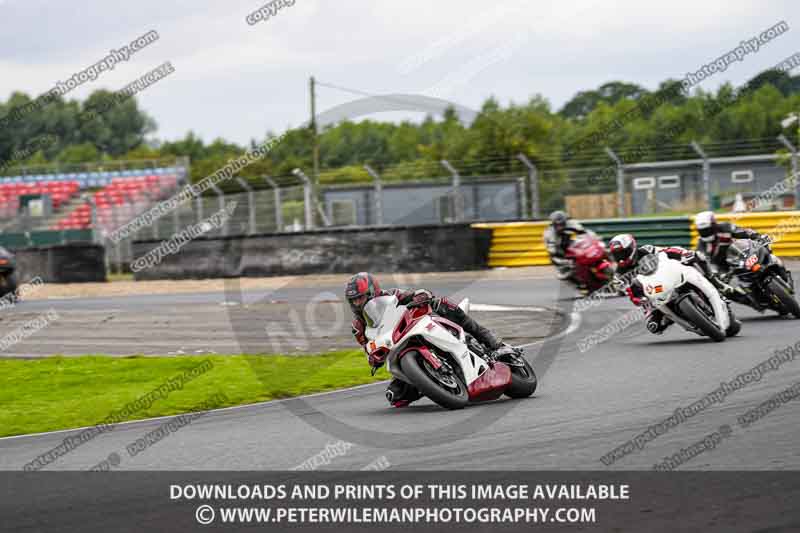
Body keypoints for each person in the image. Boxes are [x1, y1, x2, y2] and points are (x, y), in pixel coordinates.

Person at [345, 272, 514, 407]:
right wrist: (373, 359)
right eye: (353, 300)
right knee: (396, 396)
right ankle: (435, 382)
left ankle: (494, 343)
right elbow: (367, 347)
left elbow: (418, 294)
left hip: (422, 326)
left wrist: (420, 296)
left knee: (443, 304)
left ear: (373, 291)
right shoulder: (358, 327)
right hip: (398, 348)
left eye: (360, 297)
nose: (357, 303)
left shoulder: (393, 295)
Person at [608, 233, 741, 335]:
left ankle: (716, 284)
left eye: (623, 252)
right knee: (654, 327)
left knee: (697, 258)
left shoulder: (646, 250)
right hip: (653, 295)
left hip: (669, 276)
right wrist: (641, 300)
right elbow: (631, 294)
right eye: (616, 254)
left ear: (632, 247)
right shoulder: (620, 274)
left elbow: (668, 251)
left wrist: (684, 254)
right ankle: (673, 318)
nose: (621, 257)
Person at [694, 211, 764, 272]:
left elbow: (743, 232)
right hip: (723, 269)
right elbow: (703, 260)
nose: (705, 232)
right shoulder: (701, 244)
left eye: (707, 229)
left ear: (713, 225)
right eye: (702, 230)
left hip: (740, 257)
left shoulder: (726, 227)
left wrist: (757, 236)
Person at [543, 210, 588, 287]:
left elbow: (584, 232)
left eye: (562, 224)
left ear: (565, 222)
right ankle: (578, 283)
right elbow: (551, 249)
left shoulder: (571, 223)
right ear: (553, 224)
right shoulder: (549, 233)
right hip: (559, 252)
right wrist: (564, 259)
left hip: (572, 245)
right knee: (563, 273)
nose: (560, 227)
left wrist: (589, 237)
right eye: (557, 225)